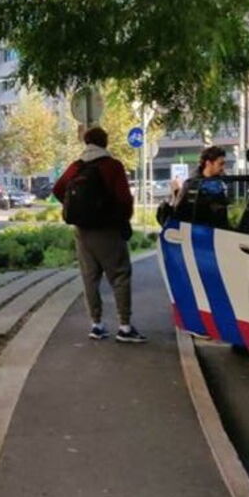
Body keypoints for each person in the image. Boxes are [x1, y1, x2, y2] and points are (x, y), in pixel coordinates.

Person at [53, 127, 146, 343]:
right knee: (120, 275)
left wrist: (77, 210)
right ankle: (124, 326)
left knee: (90, 277)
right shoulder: (112, 166)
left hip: (82, 230)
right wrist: (121, 218)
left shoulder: (76, 167)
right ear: (105, 142)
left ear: (86, 143)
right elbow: (124, 198)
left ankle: (96, 325)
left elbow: (58, 189)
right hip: (108, 230)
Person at [170, 146, 229, 228]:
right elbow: (181, 213)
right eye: (220, 164)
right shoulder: (192, 184)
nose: (223, 168)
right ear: (208, 163)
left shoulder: (223, 182)